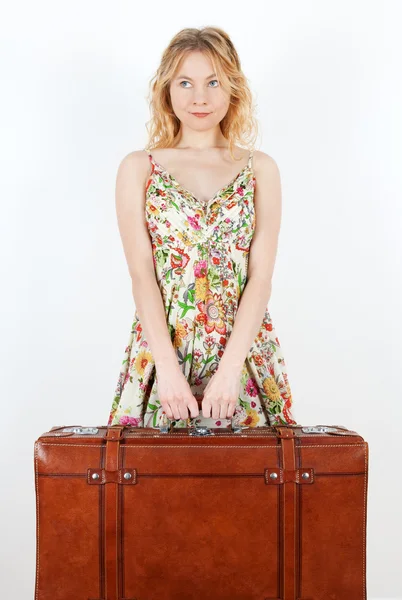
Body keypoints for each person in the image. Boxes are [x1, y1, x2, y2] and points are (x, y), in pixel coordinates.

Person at [107, 26, 299, 430]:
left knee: (255, 486)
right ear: (166, 90)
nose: (200, 97)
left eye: (213, 82)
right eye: (186, 82)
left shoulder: (259, 168)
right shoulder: (138, 168)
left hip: (244, 355)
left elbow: (260, 278)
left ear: (232, 87)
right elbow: (142, 275)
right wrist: (167, 368)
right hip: (162, 355)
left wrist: (230, 371)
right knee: (150, 486)